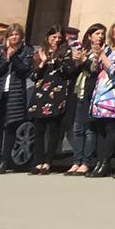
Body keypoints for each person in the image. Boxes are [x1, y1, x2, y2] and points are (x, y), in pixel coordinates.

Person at [0, 23, 33, 174]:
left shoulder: (26, 51)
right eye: (11, 35)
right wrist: (6, 60)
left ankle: (5, 161)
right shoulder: (0, 51)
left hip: (15, 93)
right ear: (8, 37)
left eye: (17, 34)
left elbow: (25, 70)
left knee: (10, 127)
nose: (14, 37)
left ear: (21, 37)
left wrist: (14, 57)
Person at [27, 26, 75, 174]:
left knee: (53, 130)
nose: (56, 40)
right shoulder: (40, 52)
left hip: (57, 94)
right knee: (39, 130)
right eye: (53, 37)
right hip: (41, 94)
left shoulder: (65, 52)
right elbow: (34, 76)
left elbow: (68, 71)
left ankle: (48, 162)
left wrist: (55, 61)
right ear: (48, 37)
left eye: (59, 38)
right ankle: (37, 161)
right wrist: (42, 62)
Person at [87, 19, 115, 177]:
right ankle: (99, 161)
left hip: (114, 92)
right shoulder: (108, 49)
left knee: (110, 128)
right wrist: (96, 56)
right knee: (100, 129)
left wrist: (103, 56)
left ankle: (106, 162)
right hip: (101, 89)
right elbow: (94, 69)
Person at [66, 23, 106, 176]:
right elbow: (73, 71)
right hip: (79, 92)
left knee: (89, 130)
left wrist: (86, 61)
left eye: (102, 34)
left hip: (92, 93)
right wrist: (76, 61)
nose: (100, 36)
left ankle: (86, 162)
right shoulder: (84, 50)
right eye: (97, 34)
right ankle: (76, 160)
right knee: (77, 129)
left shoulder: (103, 51)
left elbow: (96, 70)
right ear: (89, 36)